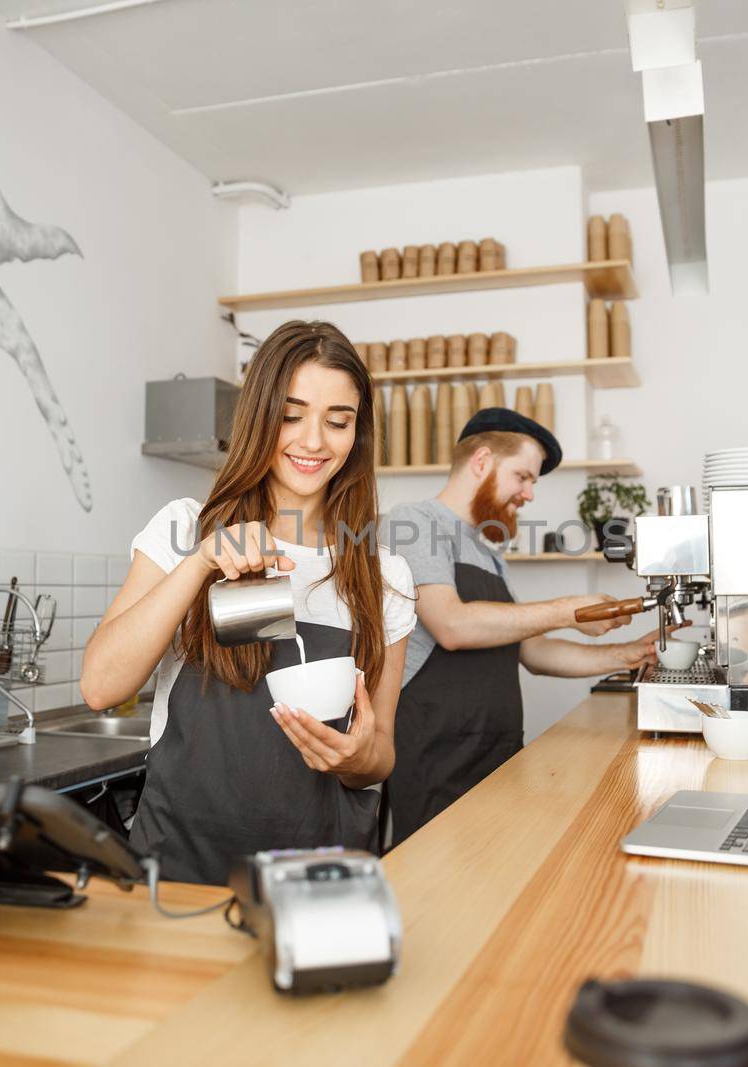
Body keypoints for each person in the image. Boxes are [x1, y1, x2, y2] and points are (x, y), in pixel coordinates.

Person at [81, 321, 415, 885]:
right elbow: (101, 687)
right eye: (291, 414)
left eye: (338, 422)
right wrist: (200, 564)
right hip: (180, 866)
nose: (313, 441)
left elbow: (380, 751)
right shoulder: (186, 528)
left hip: (319, 875)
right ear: (259, 416)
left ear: (357, 436)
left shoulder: (383, 573)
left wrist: (358, 759)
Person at [381, 409, 659, 846]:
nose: (529, 493)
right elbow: (451, 624)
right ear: (482, 461)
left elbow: (531, 652)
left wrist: (628, 654)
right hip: (435, 754)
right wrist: (568, 609)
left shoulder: (488, 551)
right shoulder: (412, 522)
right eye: (523, 476)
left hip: (497, 750)